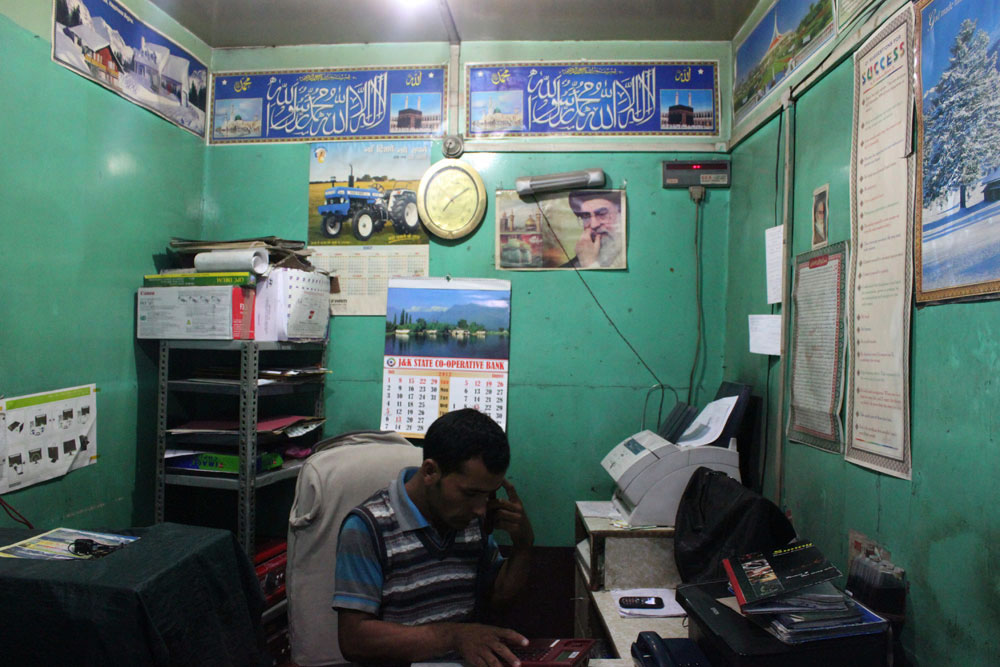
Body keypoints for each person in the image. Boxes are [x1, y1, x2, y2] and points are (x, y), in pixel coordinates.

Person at [333, 409, 534, 667]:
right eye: (470, 493)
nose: (481, 508)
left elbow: (498, 597)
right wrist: (454, 636)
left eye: (488, 495)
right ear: (430, 472)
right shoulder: (367, 528)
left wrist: (524, 546)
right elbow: (354, 639)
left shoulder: (471, 521)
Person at [563, 190, 623, 268]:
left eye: (602, 214)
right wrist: (587, 262)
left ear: (621, 214)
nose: (594, 225)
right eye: (586, 216)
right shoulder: (568, 268)